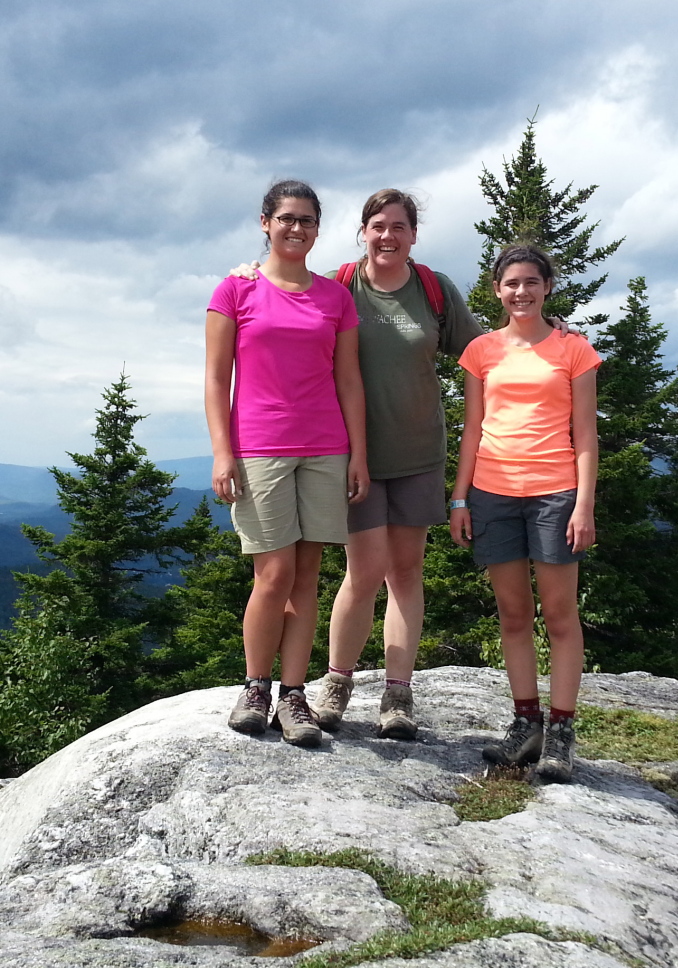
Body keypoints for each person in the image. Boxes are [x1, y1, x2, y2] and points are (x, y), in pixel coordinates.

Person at [231, 190, 579, 740]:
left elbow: (487, 351)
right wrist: (250, 274)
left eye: (398, 226)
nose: (388, 235)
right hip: (349, 457)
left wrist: (552, 335)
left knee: (406, 572)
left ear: (413, 235)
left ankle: (398, 694)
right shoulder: (340, 285)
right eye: (377, 225)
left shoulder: (434, 291)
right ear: (362, 232)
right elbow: (288, 295)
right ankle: (337, 683)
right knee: (363, 572)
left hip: (419, 454)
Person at [205, 179, 369, 749]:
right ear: (266, 222)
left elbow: (349, 380)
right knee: (272, 575)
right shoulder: (235, 290)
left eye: (307, 220)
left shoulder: (335, 297)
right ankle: (256, 686)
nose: (297, 229)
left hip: (325, 447)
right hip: (260, 446)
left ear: (318, 230)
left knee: (306, 578)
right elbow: (215, 378)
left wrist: (358, 455)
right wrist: (223, 451)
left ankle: (293, 696)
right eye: (287, 218)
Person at [450, 244, 600, 782]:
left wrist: (584, 504)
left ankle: (560, 731)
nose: (521, 292)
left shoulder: (574, 350)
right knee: (513, 616)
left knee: (560, 616)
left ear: (547, 287)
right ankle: (526, 723)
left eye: (531, 282)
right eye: (511, 283)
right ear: (497, 289)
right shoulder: (481, 352)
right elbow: (472, 428)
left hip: (556, 493)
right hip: (492, 493)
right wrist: (461, 498)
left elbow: (585, 435)